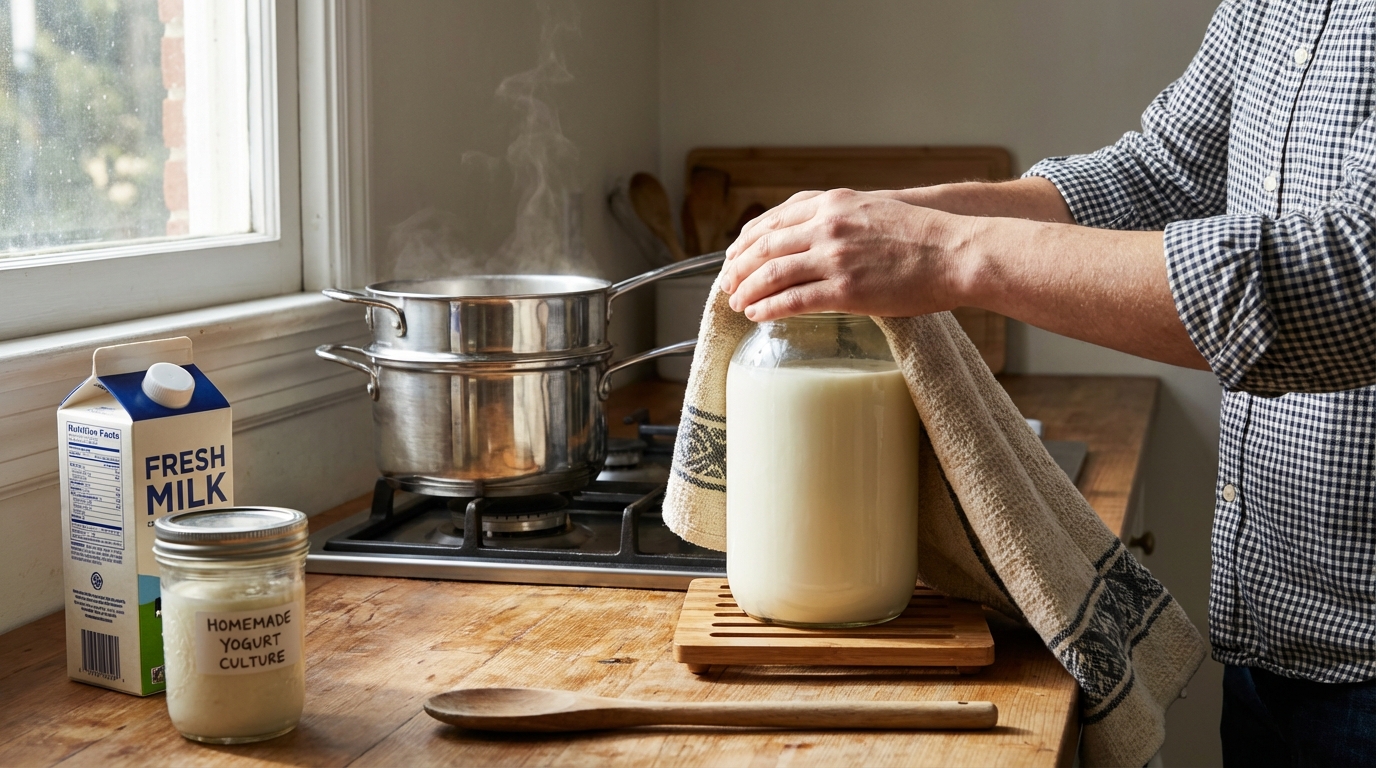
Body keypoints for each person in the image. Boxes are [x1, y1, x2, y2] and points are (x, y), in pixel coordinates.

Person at [721, 1, 1376, 765]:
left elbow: (1348, 279)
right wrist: (903, 218)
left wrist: (948, 252)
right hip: (1278, 625)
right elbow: (1166, 172)